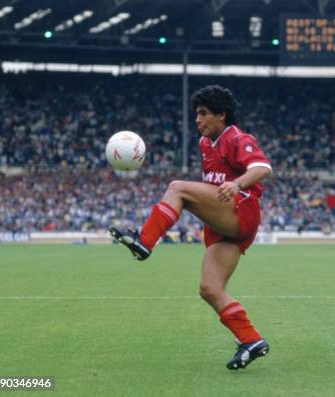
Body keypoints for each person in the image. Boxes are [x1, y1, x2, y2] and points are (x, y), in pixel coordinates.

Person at [109, 85, 272, 370]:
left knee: (177, 189)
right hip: (223, 222)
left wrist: (236, 184)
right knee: (210, 288)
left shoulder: (236, 137)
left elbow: (263, 168)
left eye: (204, 113)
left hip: (240, 210)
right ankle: (251, 340)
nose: (198, 120)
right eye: (197, 114)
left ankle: (145, 242)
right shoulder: (204, 143)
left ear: (222, 115)